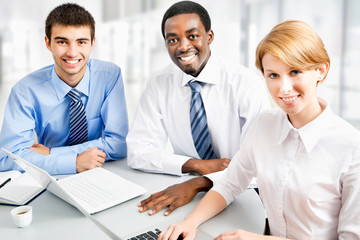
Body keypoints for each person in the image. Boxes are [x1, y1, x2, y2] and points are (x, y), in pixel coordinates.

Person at [158, 19, 360, 240]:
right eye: (273, 75)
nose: (284, 89)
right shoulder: (265, 124)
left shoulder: (351, 148)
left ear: (320, 70)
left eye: (295, 72)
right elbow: (230, 184)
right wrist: (189, 223)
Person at [127, 1, 269, 216]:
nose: (183, 46)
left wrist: (200, 183)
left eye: (192, 36)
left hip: (245, 193)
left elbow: (260, 161)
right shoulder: (159, 83)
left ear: (209, 37)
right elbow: (138, 151)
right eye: (173, 39)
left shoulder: (245, 83)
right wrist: (195, 165)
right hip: (186, 189)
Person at [0, 3, 128, 175]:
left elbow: (119, 144)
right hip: (52, 176)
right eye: (62, 42)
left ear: (92, 43)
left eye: (81, 42)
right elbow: (8, 158)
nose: (72, 53)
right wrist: (73, 163)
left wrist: (55, 154)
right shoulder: (25, 91)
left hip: (102, 170)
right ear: (48, 43)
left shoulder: (109, 76)